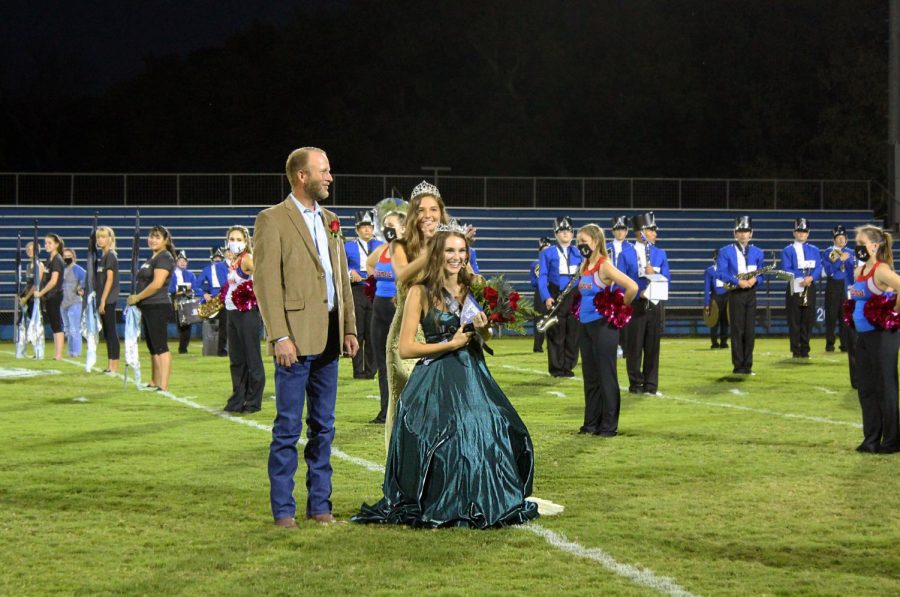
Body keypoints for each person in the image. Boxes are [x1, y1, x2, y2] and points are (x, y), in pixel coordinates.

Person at [353, 227, 539, 528]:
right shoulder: (419, 290)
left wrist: (483, 327)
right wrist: (449, 344)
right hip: (437, 373)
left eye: (461, 251)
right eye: (450, 251)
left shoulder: (474, 286)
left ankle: (483, 496)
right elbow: (407, 347)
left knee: (493, 428)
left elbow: (486, 334)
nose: (456, 257)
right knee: (447, 437)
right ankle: (444, 498)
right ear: (437, 253)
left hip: (472, 371)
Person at [254, 147, 358, 527]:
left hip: (330, 338)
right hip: (294, 342)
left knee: (324, 427)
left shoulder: (332, 220)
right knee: (287, 429)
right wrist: (279, 335)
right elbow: (265, 284)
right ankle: (284, 511)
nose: (330, 177)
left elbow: (340, 277)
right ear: (302, 176)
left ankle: (320, 506)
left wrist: (348, 327)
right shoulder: (272, 220)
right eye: (324, 171)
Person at [384, 181, 450, 446]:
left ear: (441, 212)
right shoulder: (400, 245)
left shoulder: (451, 245)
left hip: (440, 334)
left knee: (439, 408)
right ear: (413, 214)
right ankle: (396, 470)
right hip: (406, 336)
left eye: (433, 209)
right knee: (402, 406)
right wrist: (436, 250)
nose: (427, 215)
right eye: (421, 209)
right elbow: (402, 274)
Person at [575, 224, 638, 437]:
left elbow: (632, 287)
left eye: (583, 241)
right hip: (585, 326)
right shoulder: (584, 265)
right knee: (590, 376)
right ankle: (591, 423)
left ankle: (609, 426)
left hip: (603, 327)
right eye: (578, 242)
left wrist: (618, 306)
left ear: (595, 241)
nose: (580, 245)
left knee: (606, 376)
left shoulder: (605, 266)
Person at [849, 225, 900, 454]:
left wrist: (893, 311)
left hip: (883, 336)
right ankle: (870, 439)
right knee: (866, 389)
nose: (857, 247)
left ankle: (891, 441)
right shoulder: (858, 272)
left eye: (861, 243)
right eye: (856, 243)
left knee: (885, 388)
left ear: (874, 246)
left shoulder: (881, 270)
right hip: (863, 336)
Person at [365, 210, 406, 424]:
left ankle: (402, 410)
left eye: (391, 225)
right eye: (385, 225)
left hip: (396, 308)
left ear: (403, 228)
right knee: (382, 362)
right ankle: (385, 411)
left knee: (399, 361)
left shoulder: (406, 250)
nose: (387, 228)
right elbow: (369, 265)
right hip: (378, 308)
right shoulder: (382, 249)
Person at [220, 226, 265, 414]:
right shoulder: (233, 261)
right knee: (236, 359)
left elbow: (263, 278)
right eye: (232, 238)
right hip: (232, 313)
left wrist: (253, 296)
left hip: (247, 314)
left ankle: (253, 402)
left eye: (239, 239)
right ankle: (238, 398)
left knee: (252, 358)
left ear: (246, 242)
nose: (235, 242)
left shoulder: (247, 259)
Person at [625, 212, 670, 395]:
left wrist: (654, 274)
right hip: (636, 304)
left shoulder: (660, 253)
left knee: (653, 346)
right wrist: (637, 292)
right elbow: (622, 280)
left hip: (655, 303)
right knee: (634, 347)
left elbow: (667, 279)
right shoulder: (627, 253)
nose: (655, 234)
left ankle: (651, 385)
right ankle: (636, 384)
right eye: (652, 230)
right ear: (641, 231)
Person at [127, 225, 176, 391]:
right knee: (153, 346)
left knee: (160, 346)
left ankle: (164, 385)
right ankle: (154, 381)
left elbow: (157, 284)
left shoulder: (164, 257)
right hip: (148, 306)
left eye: (157, 237)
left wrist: (138, 297)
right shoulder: (153, 258)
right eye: (151, 236)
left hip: (157, 305)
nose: (152, 240)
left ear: (165, 240)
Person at [717, 216, 765, 375]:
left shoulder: (758, 252)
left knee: (750, 330)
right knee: (737, 330)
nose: (743, 235)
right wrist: (738, 282)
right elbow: (721, 273)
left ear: (751, 233)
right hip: (736, 294)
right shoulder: (726, 251)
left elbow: (762, 273)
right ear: (735, 233)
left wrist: (755, 280)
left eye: (746, 231)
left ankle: (748, 365)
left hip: (751, 294)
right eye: (740, 231)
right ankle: (738, 366)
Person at [537, 216, 582, 377]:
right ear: (555, 234)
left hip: (575, 295)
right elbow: (542, 276)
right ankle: (556, 367)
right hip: (556, 294)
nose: (565, 234)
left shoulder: (579, 252)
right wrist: (546, 296)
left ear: (572, 233)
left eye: (568, 231)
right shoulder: (547, 252)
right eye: (561, 231)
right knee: (556, 331)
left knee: (573, 331)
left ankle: (568, 365)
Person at [345, 209, 382, 379]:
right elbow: (339, 267)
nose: (367, 230)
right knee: (358, 331)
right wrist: (350, 273)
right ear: (357, 229)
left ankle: (370, 371)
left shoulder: (381, 246)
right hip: (357, 290)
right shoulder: (349, 246)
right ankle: (358, 371)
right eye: (363, 227)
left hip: (375, 290)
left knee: (373, 331)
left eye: (369, 227)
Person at [781, 218, 822, 359]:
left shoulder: (814, 250)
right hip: (794, 286)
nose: (801, 234)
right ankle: (795, 349)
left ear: (808, 233)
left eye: (804, 232)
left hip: (810, 287)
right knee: (794, 320)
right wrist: (802, 278)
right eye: (799, 231)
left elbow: (818, 267)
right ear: (794, 233)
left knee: (808, 319)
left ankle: (805, 348)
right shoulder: (788, 250)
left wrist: (811, 278)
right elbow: (786, 268)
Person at [608, 215, 639, 358]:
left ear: (627, 231)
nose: (620, 232)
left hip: (626, 289)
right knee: (610, 318)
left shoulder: (633, 248)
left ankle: (626, 349)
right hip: (609, 289)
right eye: (617, 229)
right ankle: (612, 347)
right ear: (612, 231)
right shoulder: (605, 247)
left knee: (626, 319)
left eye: (623, 229)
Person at [33, 234, 66, 360]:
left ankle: (58, 355)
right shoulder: (50, 259)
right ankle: (57, 354)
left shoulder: (57, 259)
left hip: (55, 295)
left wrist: (40, 293)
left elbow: (53, 281)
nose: (47, 245)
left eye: (49, 243)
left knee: (57, 324)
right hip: (50, 296)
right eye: (45, 243)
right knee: (54, 324)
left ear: (57, 244)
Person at [822, 225, 854, 353]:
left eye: (843, 237)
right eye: (839, 237)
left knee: (845, 316)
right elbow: (828, 270)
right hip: (833, 285)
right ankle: (830, 344)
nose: (841, 240)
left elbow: (854, 271)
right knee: (831, 315)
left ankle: (845, 344)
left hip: (847, 286)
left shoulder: (851, 252)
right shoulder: (829, 252)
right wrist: (840, 260)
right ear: (834, 239)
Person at [95, 226, 121, 373]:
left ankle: (114, 365)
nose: (100, 239)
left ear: (110, 239)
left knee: (111, 332)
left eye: (103, 236)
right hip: (103, 299)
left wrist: (103, 300)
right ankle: (110, 364)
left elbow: (109, 280)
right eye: (99, 237)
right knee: (107, 332)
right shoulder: (103, 257)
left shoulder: (110, 256)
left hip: (109, 299)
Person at [196, 246, 229, 356]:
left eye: (219, 258)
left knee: (225, 326)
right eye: (215, 258)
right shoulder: (206, 270)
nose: (217, 260)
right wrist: (204, 294)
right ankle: (211, 349)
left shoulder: (227, 268)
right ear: (211, 259)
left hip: (226, 299)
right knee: (213, 326)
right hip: (213, 302)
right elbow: (196, 286)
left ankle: (222, 350)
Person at [169, 251, 197, 354]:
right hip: (176, 299)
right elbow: (171, 289)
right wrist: (184, 288)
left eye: (184, 261)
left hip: (188, 299)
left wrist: (181, 289)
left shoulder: (190, 274)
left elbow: (194, 287)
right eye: (180, 261)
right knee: (180, 324)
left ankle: (183, 348)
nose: (182, 263)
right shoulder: (171, 274)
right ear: (176, 262)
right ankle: (182, 346)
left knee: (187, 323)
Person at [60, 247, 86, 358]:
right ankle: (70, 351)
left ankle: (76, 351)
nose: (66, 258)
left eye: (69, 256)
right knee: (67, 329)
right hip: (63, 303)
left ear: (74, 257)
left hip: (75, 302)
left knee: (74, 328)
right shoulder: (62, 270)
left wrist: (80, 288)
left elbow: (86, 280)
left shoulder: (78, 269)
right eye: (64, 256)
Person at [530, 236, 553, 353]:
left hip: (551, 291)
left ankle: (551, 345)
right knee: (540, 318)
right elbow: (535, 282)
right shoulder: (537, 264)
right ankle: (538, 346)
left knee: (552, 318)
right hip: (541, 292)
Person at [704, 250, 728, 350]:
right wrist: (707, 303)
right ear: (714, 258)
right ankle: (714, 343)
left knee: (725, 321)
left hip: (727, 297)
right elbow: (706, 288)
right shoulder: (710, 270)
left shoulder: (729, 270)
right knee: (714, 321)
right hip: (715, 298)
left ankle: (724, 342)